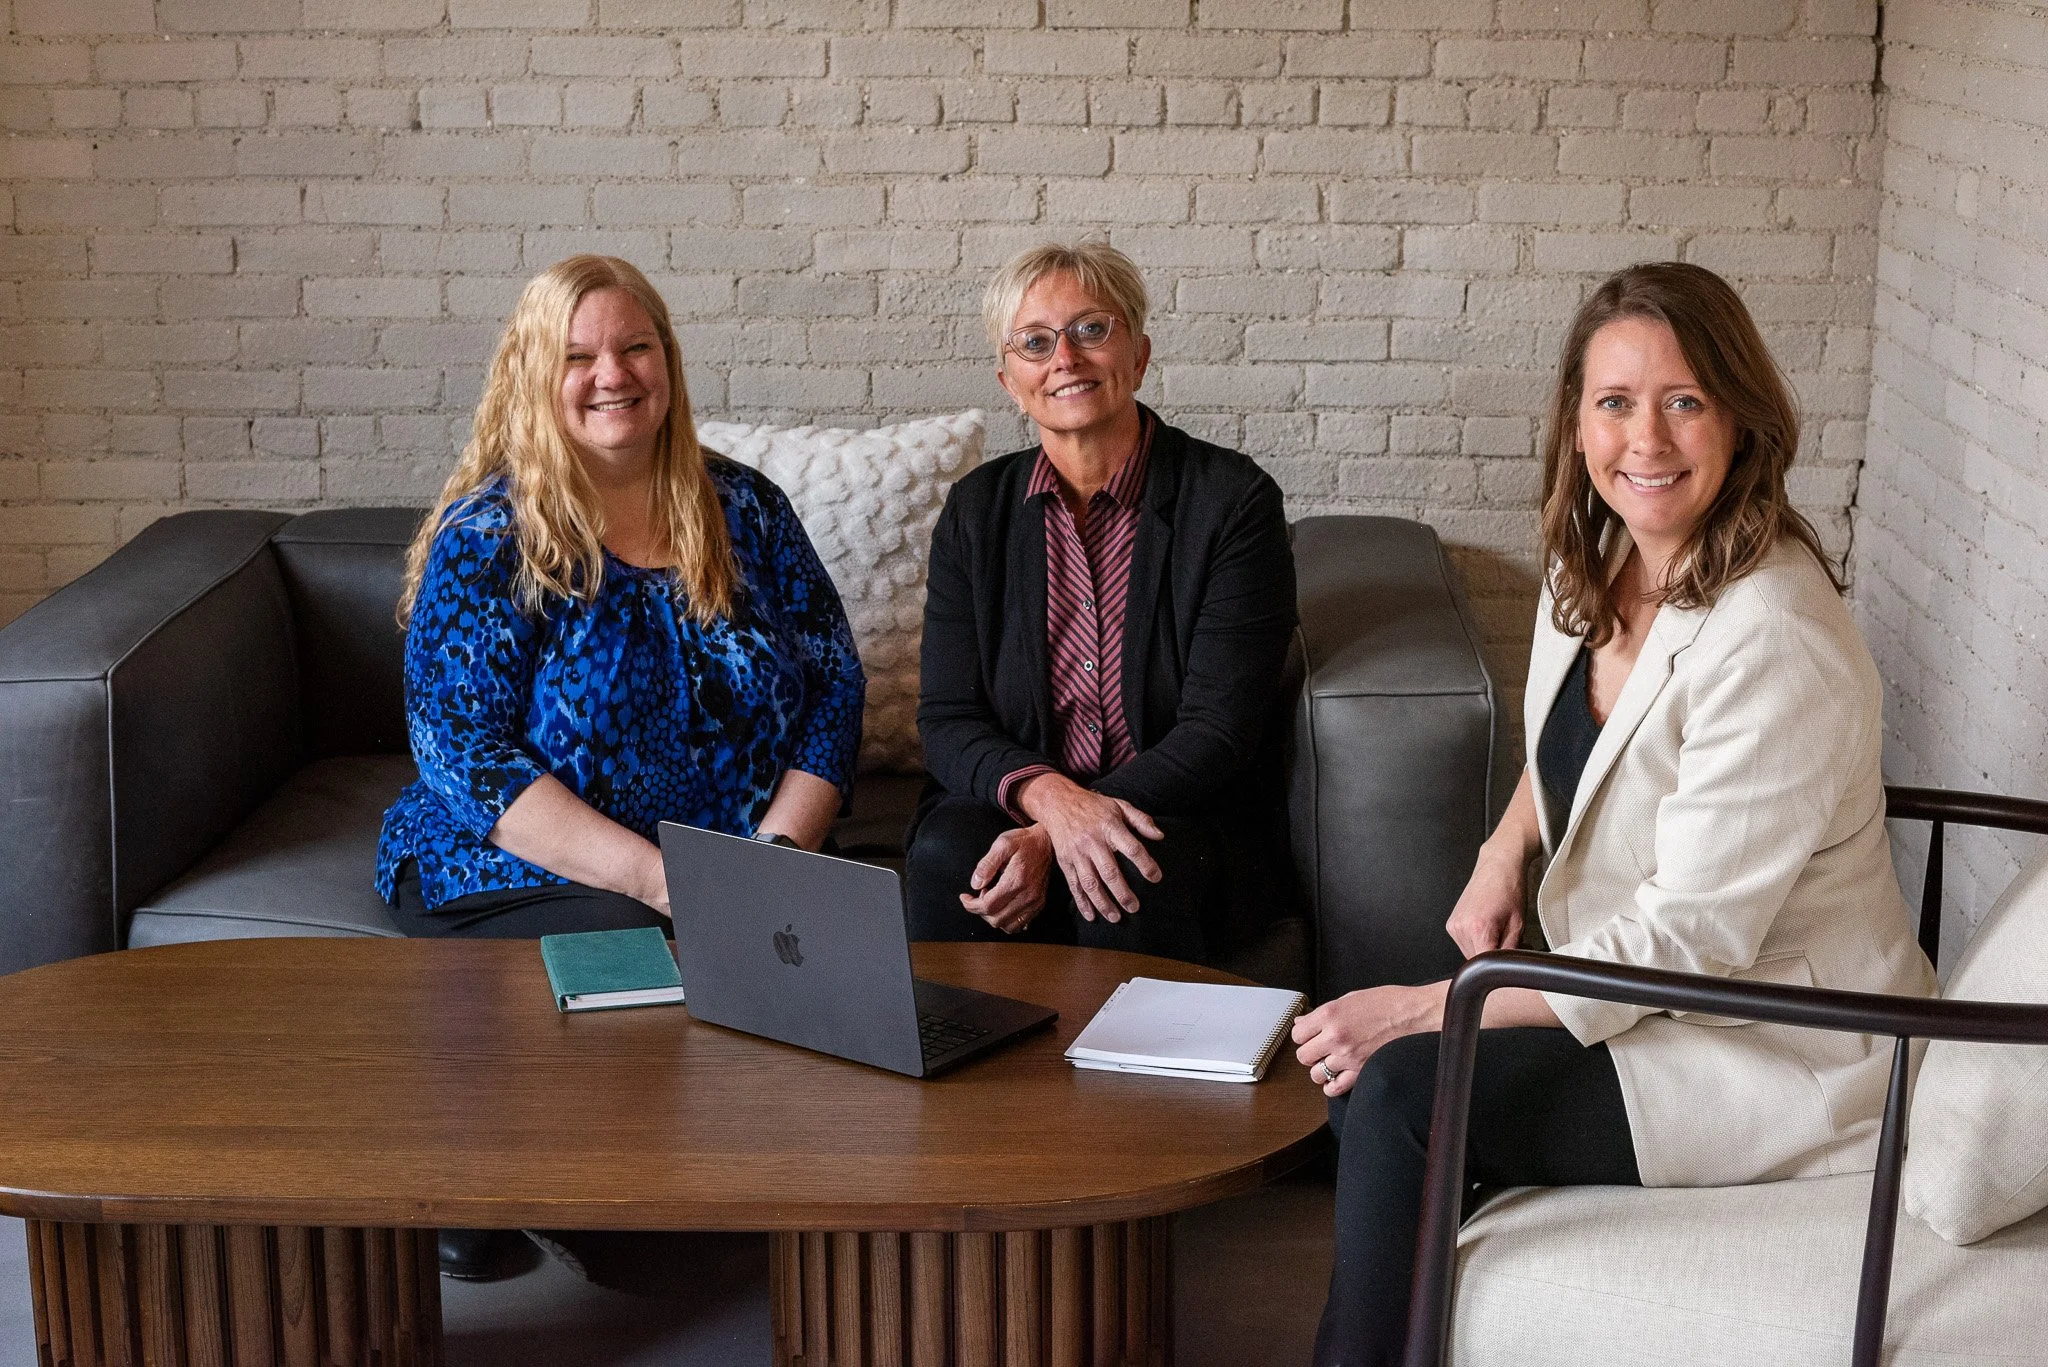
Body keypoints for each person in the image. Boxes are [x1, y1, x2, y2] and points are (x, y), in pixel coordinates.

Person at [1290, 262, 1935, 1366]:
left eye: (1682, 400)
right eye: (1614, 402)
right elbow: (1564, 757)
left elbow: (1690, 943)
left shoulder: (1772, 636)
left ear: (1739, 419)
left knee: (1401, 1085)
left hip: (1763, 1045)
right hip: (1638, 987)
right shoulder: (1587, 560)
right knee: (1371, 1098)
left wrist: (1430, 1006)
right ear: (1575, 422)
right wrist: (1503, 850)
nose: (1646, 437)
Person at [374, 254, 864, 1279]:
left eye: (635, 346)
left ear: (667, 362)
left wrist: (772, 855)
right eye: (580, 354)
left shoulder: (747, 509)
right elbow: (464, 754)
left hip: (731, 864)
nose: (613, 373)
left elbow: (830, 681)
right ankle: (505, 1185)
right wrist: (664, 880)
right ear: (532, 375)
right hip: (522, 870)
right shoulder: (490, 537)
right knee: (657, 1225)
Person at [906, 241, 1297, 966]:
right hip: (1018, 798)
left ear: (1139, 354)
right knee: (947, 854)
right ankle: (957, 1070)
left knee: (1122, 870)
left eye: (1092, 329)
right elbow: (947, 718)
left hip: (1178, 808)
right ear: (1010, 380)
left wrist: (1067, 831)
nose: (1066, 357)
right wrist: (1052, 804)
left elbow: (1218, 729)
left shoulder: (1233, 502)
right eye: (1036, 342)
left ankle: (1133, 1085)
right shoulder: (975, 511)